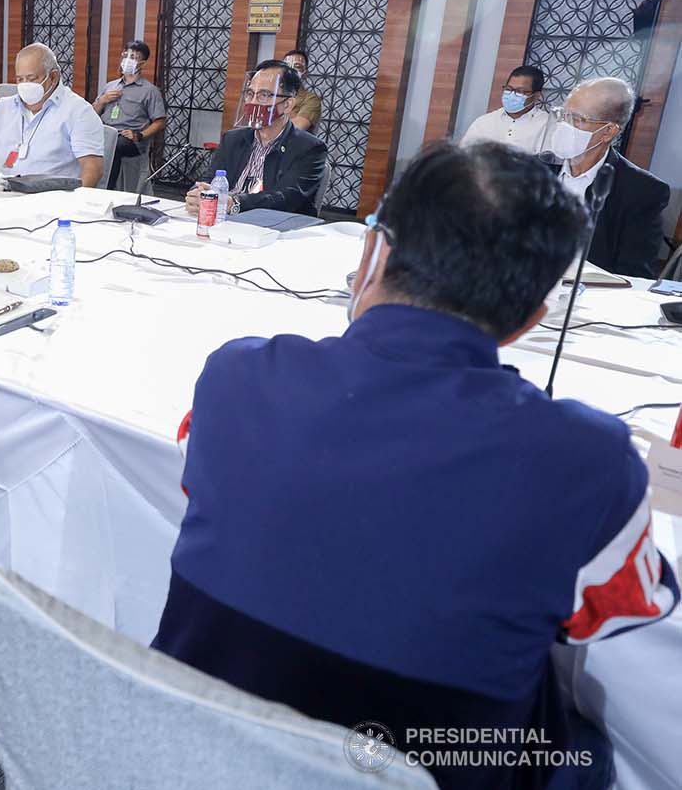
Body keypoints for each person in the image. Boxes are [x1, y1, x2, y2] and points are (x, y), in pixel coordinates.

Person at [155, 141, 677, 790]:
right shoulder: (590, 457)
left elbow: (200, 481)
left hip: (189, 746)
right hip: (430, 767)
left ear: (372, 253)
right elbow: (620, 611)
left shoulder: (238, 375)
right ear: (531, 319)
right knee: (589, 746)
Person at [543, 76, 668, 278]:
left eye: (577, 119)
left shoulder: (641, 191)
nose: (563, 125)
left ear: (608, 132)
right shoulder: (535, 168)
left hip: (586, 298)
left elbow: (632, 274)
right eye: (562, 114)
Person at [0, 43, 105, 186]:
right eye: (20, 79)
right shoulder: (2, 108)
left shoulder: (78, 112)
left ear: (53, 77)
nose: (25, 85)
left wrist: (72, 207)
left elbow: (93, 168)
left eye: (32, 78)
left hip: (49, 201)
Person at [183, 60, 327, 216]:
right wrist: (198, 194)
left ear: (287, 104)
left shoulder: (309, 147)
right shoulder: (233, 139)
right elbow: (210, 178)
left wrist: (235, 203)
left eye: (264, 95)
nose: (252, 102)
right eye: (250, 94)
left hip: (273, 228)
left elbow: (287, 198)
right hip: (223, 220)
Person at [93, 40, 167, 188]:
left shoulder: (149, 91)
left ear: (142, 63)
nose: (127, 60)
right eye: (126, 55)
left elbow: (160, 122)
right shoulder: (110, 86)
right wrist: (102, 100)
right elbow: (93, 112)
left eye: (133, 57)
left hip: (130, 139)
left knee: (115, 145)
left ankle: (107, 188)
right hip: (106, 132)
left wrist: (139, 135)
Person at [461, 65, 553, 155]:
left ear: (536, 96)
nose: (512, 94)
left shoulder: (547, 126)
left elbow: (549, 164)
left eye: (519, 91)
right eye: (509, 89)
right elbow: (462, 156)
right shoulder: (484, 122)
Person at [283, 48, 321, 133]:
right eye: (286, 66)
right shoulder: (273, 94)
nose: (291, 70)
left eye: (297, 67)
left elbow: (297, 127)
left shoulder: (311, 99)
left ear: (305, 74)